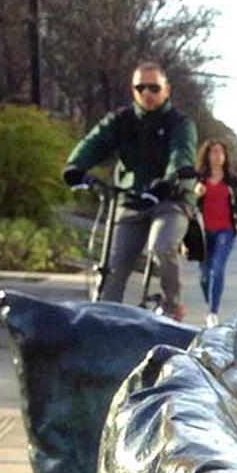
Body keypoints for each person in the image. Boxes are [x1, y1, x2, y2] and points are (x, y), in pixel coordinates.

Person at [61, 61, 197, 320]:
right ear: (133, 90)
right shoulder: (121, 120)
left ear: (166, 90)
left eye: (154, 88)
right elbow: (94, 141)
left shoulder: (180, 123)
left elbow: (182, 155)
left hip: (171, 199)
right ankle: (105, 321)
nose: (147, 93)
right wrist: (76, 166)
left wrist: (169, 180)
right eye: (140, 87)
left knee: (161, 245)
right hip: (131, 199)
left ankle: (173, 307)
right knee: (113, 268)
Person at [191, 139, 237, 327]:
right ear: (207, 155)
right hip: (203, 232)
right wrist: (195, 195)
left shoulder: (231, 180)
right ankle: (210, 301)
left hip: (226, 231)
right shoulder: (199, 178)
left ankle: (212, 312)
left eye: (221, 152)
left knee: (217, 269)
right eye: (213, 152)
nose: (218, 156)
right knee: (204, 275)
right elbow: (186, 203)